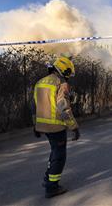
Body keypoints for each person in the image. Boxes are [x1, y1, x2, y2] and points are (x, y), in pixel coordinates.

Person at [32, 55, 80, 198]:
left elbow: (35, 106)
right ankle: (52, 187)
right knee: (59, 156)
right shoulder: (61, 84)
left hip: (43, 126)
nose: (68, 78)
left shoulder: (39, 82)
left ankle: (48, 178)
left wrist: (35, 125)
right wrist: (74, 127)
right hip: (56, 127)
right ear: (64, 71)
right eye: (68, 75)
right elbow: (63, 108)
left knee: (54, 151)